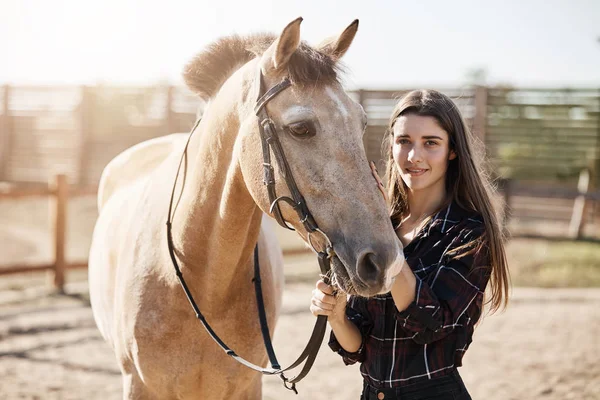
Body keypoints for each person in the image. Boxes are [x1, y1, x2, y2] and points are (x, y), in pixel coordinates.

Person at [310, 89, 510, 400]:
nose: (414, 157)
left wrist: (380, 233)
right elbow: (359, 346)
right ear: (391, 146)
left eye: (430, 143)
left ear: (452, 150)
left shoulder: (468, 233)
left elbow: (429, 324)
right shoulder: (385, 227)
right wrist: (337, 315)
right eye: (404, 141)